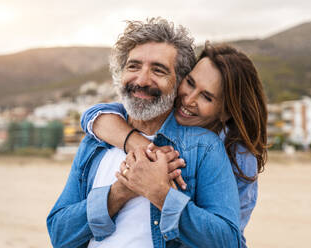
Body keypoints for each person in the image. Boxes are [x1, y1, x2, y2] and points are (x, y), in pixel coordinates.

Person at [47, 18, 241, 248]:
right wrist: (119, 192)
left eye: (158, 70)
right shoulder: (96, 142)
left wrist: (159, 192)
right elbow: (59, 234)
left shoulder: (203, 146)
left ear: (177, 82)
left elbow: (228, 241)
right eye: (133, 66)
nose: (141, 80)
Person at [81, 43, 268, 247]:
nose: (189, 99)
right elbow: (95, 114)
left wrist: (160, 192)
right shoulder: (162, 110)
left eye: (206, 97)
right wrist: (142, 146)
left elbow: (229, 239)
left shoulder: (238, 157)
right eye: (189, 82)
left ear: (226, 111)